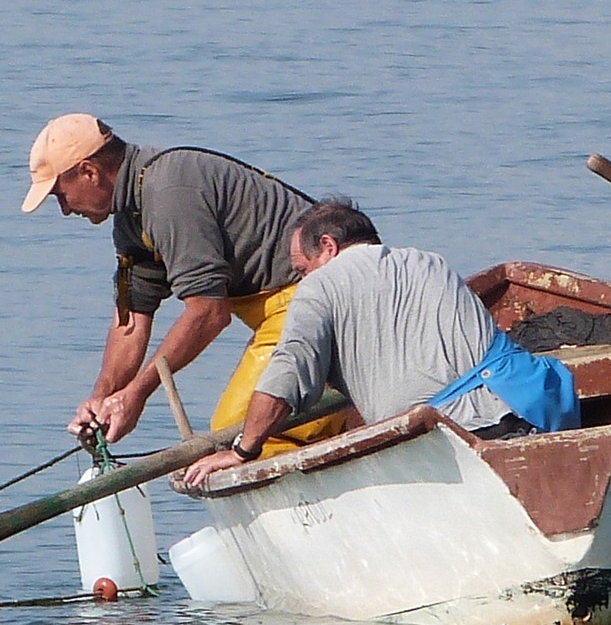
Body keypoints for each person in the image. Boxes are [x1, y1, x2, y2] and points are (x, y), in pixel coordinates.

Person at [177, 199, 580, 490]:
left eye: (301, 268)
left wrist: (243, 452)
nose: (301, 279)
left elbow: (285, 381)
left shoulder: (320, 287)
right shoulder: (430, 262)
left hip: (437, 447)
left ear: (329, 247)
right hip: (517, 415)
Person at [21, 113, 343, 452]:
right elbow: (131, 321)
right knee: (239, 431)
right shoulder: (132, 217)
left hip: (313, 298)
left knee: (239, 431)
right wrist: (103, 398)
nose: (65, 211)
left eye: (60, 195)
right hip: (276, 308)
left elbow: (208, 313)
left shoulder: (167, 192)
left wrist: (137, 394)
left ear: (89, 172)